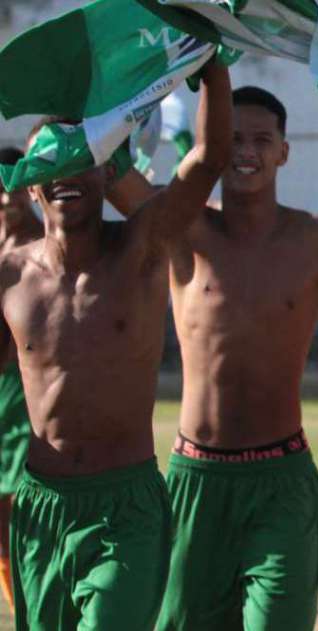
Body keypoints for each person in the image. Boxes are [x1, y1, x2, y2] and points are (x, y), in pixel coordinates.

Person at [107, 85, 318, 630]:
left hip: (282, 482)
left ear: (283, 152)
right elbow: (110, 173)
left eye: (261, 140)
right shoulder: (182, 229)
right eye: (233, 139)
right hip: (195, 479)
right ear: (213, 147)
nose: (246, 150)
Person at [0, 58, 230, 630]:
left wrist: (212, 70)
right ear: (31, 184)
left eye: (82, 158)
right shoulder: (8, 276)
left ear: (107, 172)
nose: (66, 173)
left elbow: (206, 161)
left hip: (124, 507)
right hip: (40, 505)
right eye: (50, 161)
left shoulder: (143, 247)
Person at [0, 148, 42, 613]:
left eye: (13, 184)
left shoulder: (44, 241)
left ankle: (31, 608)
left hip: (24, 390)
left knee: (18, 505)